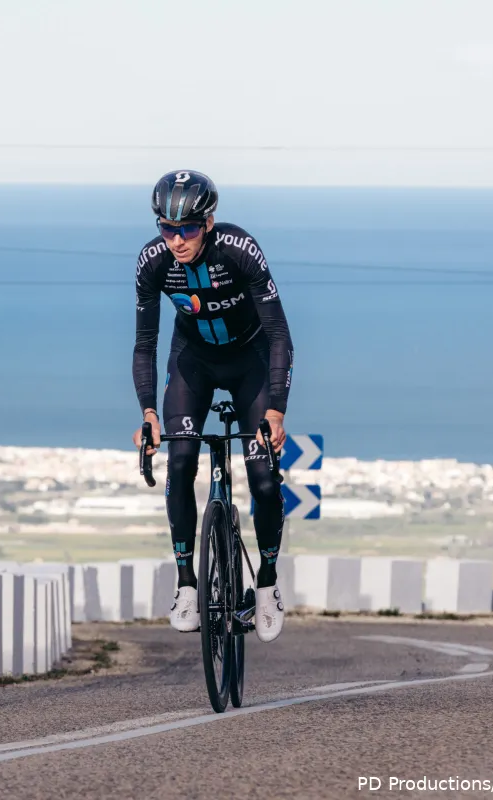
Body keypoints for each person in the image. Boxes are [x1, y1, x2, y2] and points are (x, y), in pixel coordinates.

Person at [131, 169, 294, 643]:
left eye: (187, 228)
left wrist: (276, 411)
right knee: (181, 460)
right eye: (167, 228)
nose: (177, 240)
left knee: (264, 479)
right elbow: (145, 343)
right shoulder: (153, 262)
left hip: (250, 361)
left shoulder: (239, 250)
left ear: (208, 222)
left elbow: (279, 334)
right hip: (194, 362)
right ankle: (187, 584)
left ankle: (266, 584)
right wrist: (148, 413)